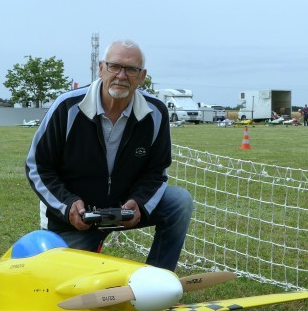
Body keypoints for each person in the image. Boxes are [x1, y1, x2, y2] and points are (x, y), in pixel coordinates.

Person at [26, 39, 192, 272]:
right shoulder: (67, 107)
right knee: (65, 286)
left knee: (179, 201)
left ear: (142, 76)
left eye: (131, 69)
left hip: (124, 209)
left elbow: (156, 171)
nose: (122, 75)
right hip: (76, 218)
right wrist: (68, 205)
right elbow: (37, 166)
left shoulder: (156, 112)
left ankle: (158, 278)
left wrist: (140, 204)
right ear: (101, 68)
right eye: (115, 66)